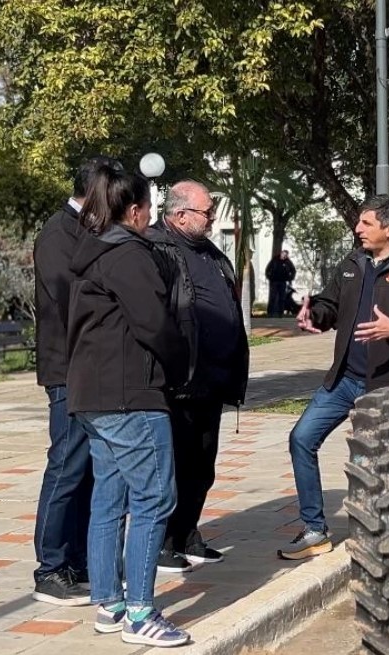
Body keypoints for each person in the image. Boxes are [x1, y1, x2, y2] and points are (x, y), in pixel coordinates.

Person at [278, 194, 389, 560]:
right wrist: (315, 316)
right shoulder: (353, 262)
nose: (358, 229)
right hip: (344, 379)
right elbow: (331, 304)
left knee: (380, 466)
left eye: (366, 223)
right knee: (301, 439)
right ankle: (314, 530)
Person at [66, 163, 191, 647]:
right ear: (136, 211)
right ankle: (139, 614)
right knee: (155, 498)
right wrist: (180, 369)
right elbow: (155, 325)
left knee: (109, 500)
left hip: (93, 395)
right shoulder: (129, 256)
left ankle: (110, 603)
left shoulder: (91, 254)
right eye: (151, 210)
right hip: (129, 395)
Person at [30, 155, 121, 606]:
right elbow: (74, 297)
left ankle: (80, 560)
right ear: (94, 191)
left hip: (92, 366)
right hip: (67, 368)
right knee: (66, 464)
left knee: (88, 468)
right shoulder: (56, 234)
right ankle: (50, 567)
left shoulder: (88, 231)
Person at [145, 180, 250, 573]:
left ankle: (188, 533)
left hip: (213, 379)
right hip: (178, 381)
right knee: (173, 464)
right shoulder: (157, 249)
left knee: (202, 465)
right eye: (207, 212)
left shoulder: (209, 252)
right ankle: (163, 542)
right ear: (179, 214)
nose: (212, 218)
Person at [265, 250, 296, 317]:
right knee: (272, 297)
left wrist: (290, 278)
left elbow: (293, 270)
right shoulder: (274, 260)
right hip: (274, 281)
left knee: (282, 298)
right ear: (281, 254)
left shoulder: (288, 261)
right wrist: (269, 277)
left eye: (286, 255)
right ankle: (270, 313)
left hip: (283, 282)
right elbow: (268, 269)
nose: (284, 256)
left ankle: (280, 314)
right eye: (283, 255)